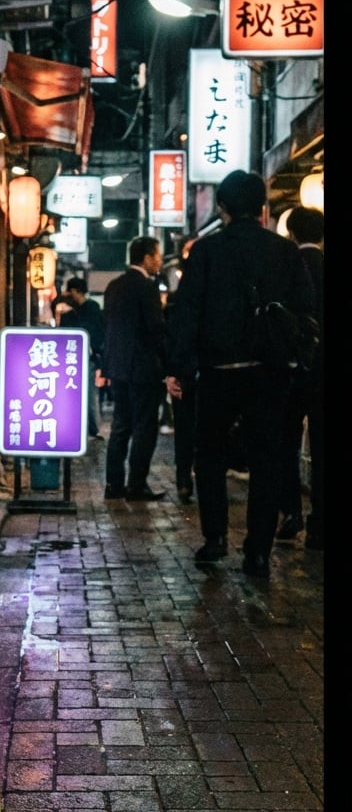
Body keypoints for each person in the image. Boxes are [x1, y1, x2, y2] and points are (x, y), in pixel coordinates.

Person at [165, 169, 315, 579]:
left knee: (209, 454)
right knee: (267, 459)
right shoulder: (285, 252)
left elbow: (187, 312)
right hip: (270, 373)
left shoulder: (208, 251)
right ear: (263, 209)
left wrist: (179, 367)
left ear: (223, 207)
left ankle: (215, 540)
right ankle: (258, 552)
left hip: (218, 370)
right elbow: (305, 306)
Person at [101, 236, 167, 500]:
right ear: (147, 257)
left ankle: (113, 485)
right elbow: (156, 329)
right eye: (158, 255)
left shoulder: (114, 286)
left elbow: (110, 328)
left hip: (118, 368)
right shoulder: (146, 287)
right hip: (143, 368)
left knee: (120, 426)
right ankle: (136, 485)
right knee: (143, 427)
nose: (160, 261)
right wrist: (168, 363)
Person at [275, 205, 324, 551]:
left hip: (291, 370)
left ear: (291, 233)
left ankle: (291, 513)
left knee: (286, 444)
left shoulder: (287, 268)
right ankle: (319, 525)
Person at [164, 238, 197, 503]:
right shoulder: (222, 290)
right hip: (212, 372)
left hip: (186, 371)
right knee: (208, 431)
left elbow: (172, 337)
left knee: (185, 430)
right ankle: (196, 479)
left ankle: (184, 479)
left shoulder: (179, 298)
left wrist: (171, 372)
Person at [59, 276, 106, 440]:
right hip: (76, 356)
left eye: (69, 292)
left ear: (75, 291)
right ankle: (85, 427)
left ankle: (92, 428)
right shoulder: (71, 312)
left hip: (86, 357)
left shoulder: (91, 308)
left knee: (88, 393)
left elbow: (95, 333)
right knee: (81, 393)